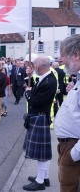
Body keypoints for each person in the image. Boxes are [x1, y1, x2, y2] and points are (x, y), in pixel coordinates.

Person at [22, 56, 57, 191]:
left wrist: (28, 94)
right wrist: (28, 77)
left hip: (40, 117)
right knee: (43, 152)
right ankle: (44, 177)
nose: (33, 67)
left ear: (38, 67)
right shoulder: (45, 78)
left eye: (34, 65)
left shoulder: (49, 81)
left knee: (41, 154)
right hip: (38, 117)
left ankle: (40, 181)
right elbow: (34, 88)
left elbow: (35, 100)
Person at [54, 34, 80, 192]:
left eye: (63, 54)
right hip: (69, 146)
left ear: (76, 55)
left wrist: (73, 155)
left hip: (74, 149)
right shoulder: (77, 79)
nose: (60, 58)